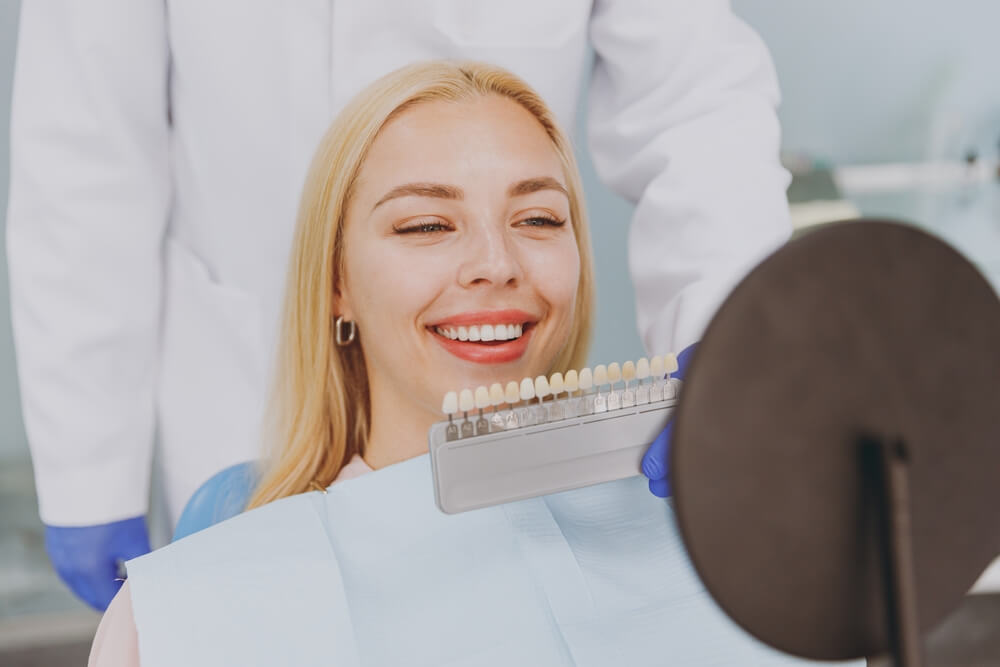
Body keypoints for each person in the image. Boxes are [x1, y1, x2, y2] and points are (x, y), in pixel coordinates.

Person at [7, 1, 791, 610]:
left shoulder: (652, 573)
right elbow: (85, 136)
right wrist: (89, 467)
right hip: (234, 370)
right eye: (425, 224)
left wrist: (732, 339)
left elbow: (695, 101)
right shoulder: (218, 550)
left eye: (540, 217)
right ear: (337, 280)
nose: (490, 262)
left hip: (518, 413)